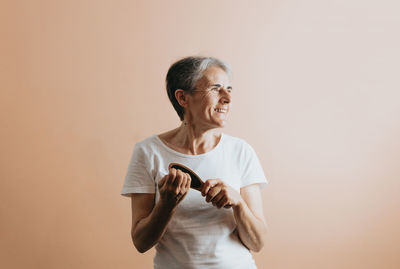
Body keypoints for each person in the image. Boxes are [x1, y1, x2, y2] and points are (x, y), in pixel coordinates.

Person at [121, 56, 268, 269]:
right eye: (216, 89)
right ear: (182, 98)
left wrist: (238, 203)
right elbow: (141, 242)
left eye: (229, 89)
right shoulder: (148, 151)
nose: (227, 98)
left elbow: (258, 242)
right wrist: (167, 204)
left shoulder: (240, 151)